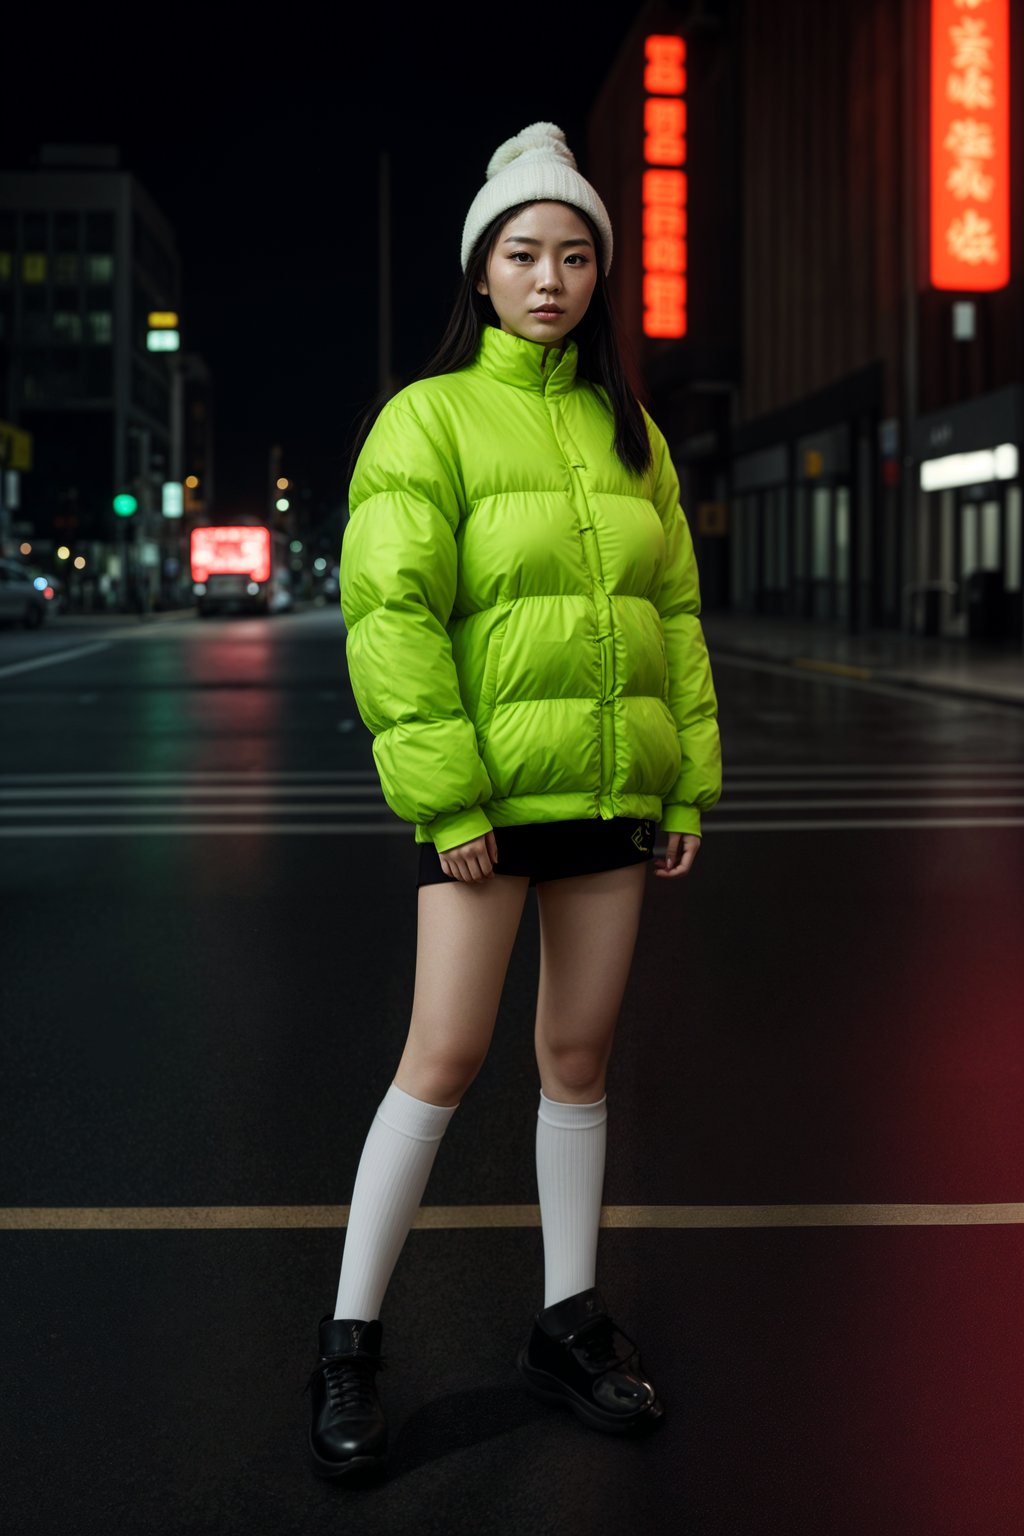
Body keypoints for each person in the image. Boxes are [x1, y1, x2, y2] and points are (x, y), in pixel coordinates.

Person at [306, 122, 722, 1482]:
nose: (552, 276)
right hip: (483, 804)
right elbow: (392, 616)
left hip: (612, 790)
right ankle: (351, 1343)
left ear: (600, 277)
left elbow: (673, 607)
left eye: (577, 254)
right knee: (441, 1059)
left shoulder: (630, 429)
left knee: (578, 1065)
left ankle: (566, 1322)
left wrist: (688, 780)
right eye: (525, 253)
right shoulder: (426, 419)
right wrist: (447, 796)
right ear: (481, 273)